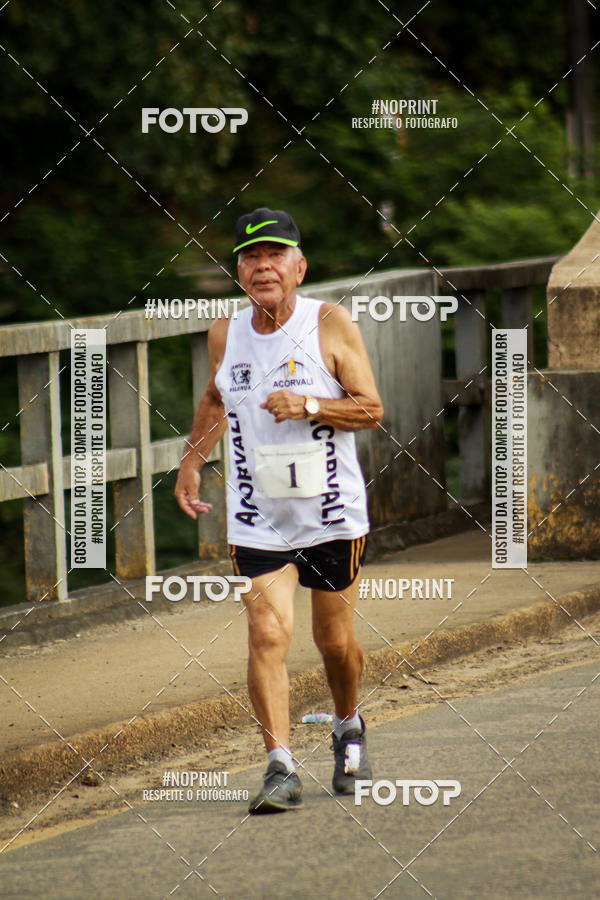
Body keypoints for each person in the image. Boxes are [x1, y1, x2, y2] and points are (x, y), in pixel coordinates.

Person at [175, 207, 383, 813]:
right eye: (249, 257)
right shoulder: (226, 332)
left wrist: (311, 404)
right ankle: (280, 765)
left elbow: (370, 408)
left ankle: (348, 725)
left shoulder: (330, 323)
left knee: (333, 639)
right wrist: (192, 460)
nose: (262, 265)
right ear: (240, 271)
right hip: (257, 513)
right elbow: (216, 395)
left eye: (274, 255)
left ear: (298, 267)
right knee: (267, 631)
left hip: (331, 513)